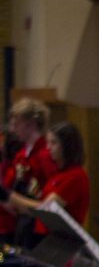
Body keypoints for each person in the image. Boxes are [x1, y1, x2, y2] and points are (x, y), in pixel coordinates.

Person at [2, 121, 89, 247]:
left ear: (67, 146)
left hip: (61, 243)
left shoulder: (75, 176)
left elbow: (46, 209)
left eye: (53, 143)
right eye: (48, 142)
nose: (48, 148)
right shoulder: (58, 174)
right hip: (43, 237)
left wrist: (9, 196)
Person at [0, 98, 57, 246]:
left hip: (37, 226)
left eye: (16, 124)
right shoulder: (22, 154)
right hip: (20, 223)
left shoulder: (45, 155)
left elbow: (51, 195)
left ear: (30, 124)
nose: (12, 129)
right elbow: (9, 184)